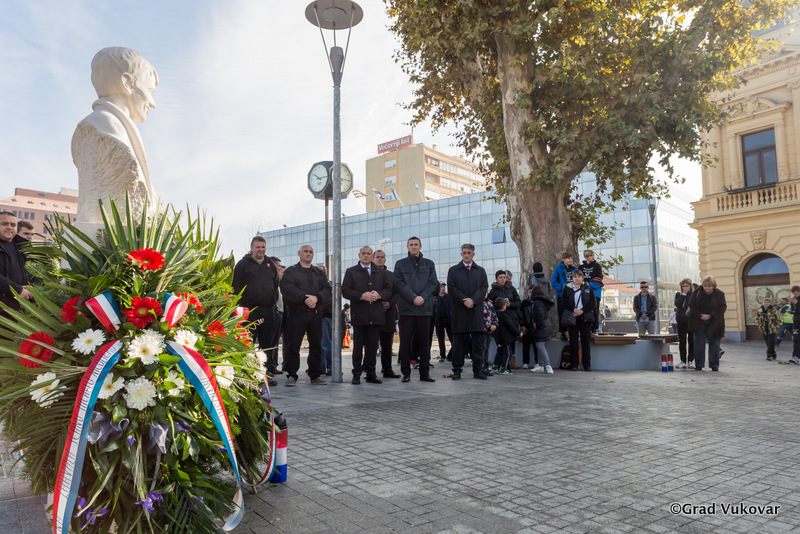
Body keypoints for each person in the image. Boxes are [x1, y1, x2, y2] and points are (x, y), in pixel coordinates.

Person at [72, 47, 159, 223]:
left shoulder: (118, 127)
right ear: (126, 82)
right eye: (149, 91)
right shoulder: (100, 126)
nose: (153, 103)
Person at [280, 244, 331, 386]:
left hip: (315, 314)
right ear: (299, 253)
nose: (308, 253)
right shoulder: (291, 272)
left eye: (311, 252)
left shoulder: (319, 273)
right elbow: (288, 290)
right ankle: (292, 375)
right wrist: (306, 299)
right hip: (296, 314)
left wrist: (317, 298)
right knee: (293, 346)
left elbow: (327, 289)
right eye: (305, 251)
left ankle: (315, 375)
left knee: (316, 346)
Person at [342, 246, 393, 385]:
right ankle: (356, 374)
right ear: (359, 255)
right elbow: (345, 291)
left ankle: (371, 374)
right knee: (358, 347)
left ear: (372, 256)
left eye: (368, 253)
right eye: (363, 253)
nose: (366, 256)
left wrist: (379, 295)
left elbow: (389, 289)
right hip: (359, 316)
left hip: (376, 316)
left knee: (372, 348)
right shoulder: (351, 271)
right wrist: (361, 296)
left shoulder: (381, 272)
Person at [232, 237, 281, 375]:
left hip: (268, 310)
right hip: (249, 310)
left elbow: (275, 285)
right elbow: (236, 287)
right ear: (251, 248)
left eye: (263, 247)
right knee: (248, 342)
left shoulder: (270, 264)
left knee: (267, 344)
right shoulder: (243, 264)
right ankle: (247, 373)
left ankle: (266, 372)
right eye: (258, 247)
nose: (260, 250)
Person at [394, 237, 438, 382]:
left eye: (416, 245)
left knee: (425, 343)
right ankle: (406, 373)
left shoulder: (429, 264)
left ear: (420, 246)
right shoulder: (400, 264)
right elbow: (399, 284)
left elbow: (433, 283)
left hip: (425, 310)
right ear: (407, 246)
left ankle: (424, 373)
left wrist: (422, 297)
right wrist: (413, 297)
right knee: (405, 343)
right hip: (406, 309)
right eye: (411, 245)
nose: (414, 247)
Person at [446, 244, 489, 380]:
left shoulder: (480, 271)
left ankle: (478, 370)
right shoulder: (453, 270)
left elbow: (483, 288)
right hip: (459, 311)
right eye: (464, 252)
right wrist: (464, 300)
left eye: (469, 253)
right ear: (461, 254)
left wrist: (473, 300)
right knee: (458, 345)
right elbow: (451, 289)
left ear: (473, 254)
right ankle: (457, 370)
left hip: (476, 312)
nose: (466, 255)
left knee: (477, 345)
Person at [687, 276, 726, 372]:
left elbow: (722, 307)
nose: (707, 288)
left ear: (713, 286)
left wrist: (710, 315)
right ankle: (699, 365)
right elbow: (692, 305)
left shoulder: (719, 294)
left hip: (715, 323)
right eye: (705, 286)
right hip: (699, 322)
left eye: (709, 286)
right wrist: (700, 315)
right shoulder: (697, 292)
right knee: (698, 344)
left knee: (714, 345)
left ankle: (714, 365)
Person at [561, 270, 597, 371]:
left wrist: (582, 311)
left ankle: (587, 365)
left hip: (585, 317)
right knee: (573, 342)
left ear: (582, 278)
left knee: (585, 342)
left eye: (579, 276)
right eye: (575, 277)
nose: (577, 279)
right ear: (572, 278)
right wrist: (574, 309)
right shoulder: (567, 289)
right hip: (573, 317)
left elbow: (593, 303)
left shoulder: (588, 289)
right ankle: (574, 364)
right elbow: (564, 302)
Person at [0, 212, 35, 313]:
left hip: (23, 309)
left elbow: (40, 270)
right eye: (4, 224)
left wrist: (33, 288)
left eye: (13, 225)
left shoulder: (25, 247)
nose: (9, 227)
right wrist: (17, 290)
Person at [373, 250, 401, 378]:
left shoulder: (391, 275)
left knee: (387, 346)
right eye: (377, 257)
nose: (380, 259)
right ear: (373, 259)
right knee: (371, 344)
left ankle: (387, 369)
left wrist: (389, 303)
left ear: (385, 259)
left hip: (388, 314)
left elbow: (396, 293)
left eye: (382, 257)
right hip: (372, 313)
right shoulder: (368, 274)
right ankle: (369, 370)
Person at [488, 270, 522, 368]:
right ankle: (501, 364)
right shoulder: (493, 291)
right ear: (496, 279)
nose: (503, 279)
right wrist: (499, 306)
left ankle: (512, 362)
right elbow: (490, 306)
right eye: (500, 277)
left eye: (504, 277)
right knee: (503, 342)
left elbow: (518, 302)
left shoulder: (511, 288)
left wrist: (510, 304)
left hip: (512, 319)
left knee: (512, 340)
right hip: (500, 320)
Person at [529, 286, 555, 374]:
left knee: (540, 346)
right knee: (540, 346)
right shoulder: (543, 302)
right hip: (544, 326)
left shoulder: (537, 303)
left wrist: (536, 323)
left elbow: (539, 315)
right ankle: (541, 365)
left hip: (540, 327)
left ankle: (547, 365)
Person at [551, 252, 576, 339]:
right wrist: (562, 288)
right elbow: (554, 282)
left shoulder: (574, 269)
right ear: (563, 259)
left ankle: (573, 331)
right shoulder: (558, 268)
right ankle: (563, 332)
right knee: (562, 313)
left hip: (573, 295)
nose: (570, 260)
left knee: (573, 312)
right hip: (562, 295)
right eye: (568, 258)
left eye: (571, 258)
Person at [492, 298, 520, 375]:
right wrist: (518, 332)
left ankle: (495, 367)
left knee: (500, 352)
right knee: (508, 353)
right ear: (503, 306)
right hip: (506, 338)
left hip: (498, 338)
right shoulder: (504, 315)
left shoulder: (494, 315)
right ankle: (504, 368)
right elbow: (511, 326)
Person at [580, 250, 604, 332]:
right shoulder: (581, 267)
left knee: (595, 310)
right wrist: (584, 283)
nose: (592, 257)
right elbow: (578, 278)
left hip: (595, 292)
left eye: (593, 255)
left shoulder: (597, 266)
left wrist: (589, 283)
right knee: (584, 309)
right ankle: (585, 327)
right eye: (590, 256)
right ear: (586, 257)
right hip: (584, 292)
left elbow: (599, 279)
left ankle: (595, 328)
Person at [674, 278, 695, 369]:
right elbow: (677, 304)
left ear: (690, 286)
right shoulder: (678, 294)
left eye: (687, 286)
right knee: (682, 341)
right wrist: (683, 294)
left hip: (691, 321)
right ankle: (683, 361)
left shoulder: (694, 295)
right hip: (681, 321)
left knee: (692, 341)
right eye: (683, 286)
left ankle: (690, 361)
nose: (685, 287)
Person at [478, 292, 499, 376]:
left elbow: (494, 314)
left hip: (490, 331)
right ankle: (481, 367)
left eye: (486, 292)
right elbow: (480, 316)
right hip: (483, 329)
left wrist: (495, 324)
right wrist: (488, 325)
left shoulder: (490, 303)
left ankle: (486, 367)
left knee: (486, 349)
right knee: (482, 349)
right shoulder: (479, 303)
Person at [520, 286, 538, 369]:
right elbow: (521, 315)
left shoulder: (538, 302)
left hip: (536, 327)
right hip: (526, 327)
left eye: (533, 292)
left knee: (536, 346)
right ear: (527, 292)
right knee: (525, 346)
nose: (531, 294)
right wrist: (522, 325)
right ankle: (525, 362)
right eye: (530, 292)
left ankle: (537, 362)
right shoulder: (524, 302)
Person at [434, 282, 453, 361]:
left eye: (444, 287)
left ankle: (452, 355)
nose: (443, 288)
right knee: (441, 339)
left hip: (448, 321)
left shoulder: (448, 297)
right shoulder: (435, 298)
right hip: (439, 321)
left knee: (452, 338)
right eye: (441, 287)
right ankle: (442, 355)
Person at [790, 286, 800, 365]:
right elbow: (794, 310)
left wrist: (797, 304)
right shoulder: (793, 299)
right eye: (793, 294)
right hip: (796, 322)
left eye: (796, 293)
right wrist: (791, 311)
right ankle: (795, 357)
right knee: (796, 339)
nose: (795, 295)